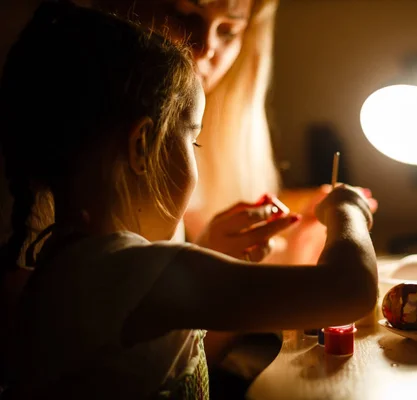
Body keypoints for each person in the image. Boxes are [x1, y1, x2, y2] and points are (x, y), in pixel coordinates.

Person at [0, 2, 377, 399]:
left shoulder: (71, 268)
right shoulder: (132, 273)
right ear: (142, 145)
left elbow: (178, 356)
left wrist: (213, 252)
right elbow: (349, 291)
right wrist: (348, 210)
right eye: (192, 139)